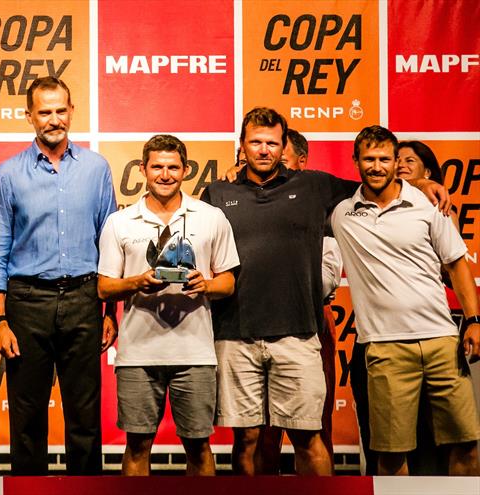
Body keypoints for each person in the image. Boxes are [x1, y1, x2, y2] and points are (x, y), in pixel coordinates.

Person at [199, 107, 448, 476]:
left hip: (299, 335)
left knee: (309, 437)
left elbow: (375, 186)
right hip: (235, 335)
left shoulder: (313, 185)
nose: (264, 150)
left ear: (284, 146)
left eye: (272, 142)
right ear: (242, 145)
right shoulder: (218, 192)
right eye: (256, 142)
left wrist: (421, 185)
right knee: (247, 439)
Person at [0, 76, 118, 475]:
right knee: (27, 418)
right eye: (45, 112)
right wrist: (0, 320)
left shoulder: (96, 168)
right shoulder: (8, 174)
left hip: (84, 298)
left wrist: (110, 311)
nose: (54, 119)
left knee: (85, 417)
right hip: (26, 303)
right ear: (29, 117)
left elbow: (110, 243)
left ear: (71, 112)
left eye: (61, 110)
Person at [330, 125, 480, 476]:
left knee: (465, 444)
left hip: (443, 341)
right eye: (369, 159)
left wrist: (473, 321)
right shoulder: (342, 213)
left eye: (385, 159)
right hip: (385, 348)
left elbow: (457, 265)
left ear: (397, 162)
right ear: (356, 162)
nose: (377, 166)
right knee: (391, 453)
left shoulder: (427, 206)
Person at [97, 135, 239, 476]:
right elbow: (103, 287)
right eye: (157, 166)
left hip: (196, 355)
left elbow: (229, 282)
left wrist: (206, 284)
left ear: (186, 170)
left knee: (199, 447)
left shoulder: (211, 217)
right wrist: (137, 282)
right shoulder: (120, 221)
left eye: (173, 167)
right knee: (137, 446)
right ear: (143, 169)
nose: (165, 174)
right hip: (137, 356)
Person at [255, 129, 342, 474]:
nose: (271, 163)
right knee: (260, 433)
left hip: (308, 321)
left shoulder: (320, 205)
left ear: (302, 163)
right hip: (254, 324)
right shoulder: (245, 198)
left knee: (314, 428)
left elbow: (326, 278)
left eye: (282, 157)